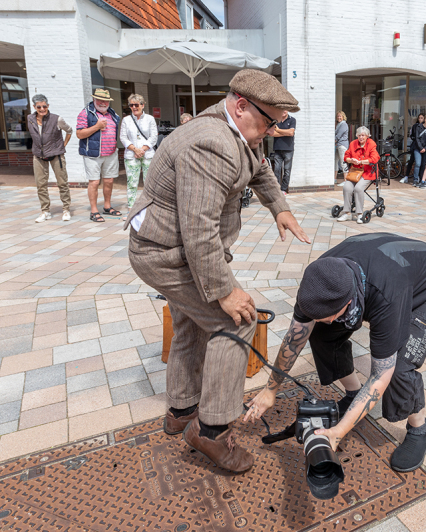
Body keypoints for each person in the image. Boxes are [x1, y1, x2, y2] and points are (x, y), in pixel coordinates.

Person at [125, 69, 310, 473]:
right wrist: (225, 291)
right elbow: (198, 229)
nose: (273, 131)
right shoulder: (210, 142)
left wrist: (279, 207)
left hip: (174, 247)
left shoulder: (233, 127)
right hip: (166, 253)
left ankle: (180, 410)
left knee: (192, 320)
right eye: (269, 121)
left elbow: (259, 168)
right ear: (241, 105)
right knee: (237, 321)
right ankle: (211, 430)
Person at [245, 233, 426, 473]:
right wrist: (270, 389)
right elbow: (295, 339)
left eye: (330, 316)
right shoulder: (318, 281)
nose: (326, 320)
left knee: (400, 365)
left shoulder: (386, 297)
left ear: (348, 302)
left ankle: (420, 430)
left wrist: (338, 432)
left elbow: (381, 375)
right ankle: (353, 394)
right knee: (321, 333)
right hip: (381, 263)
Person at [76, 88, 121, 223]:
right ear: (94, 99)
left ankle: (107, 206)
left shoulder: (112, 114)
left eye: (106, 100)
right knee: (94, 182)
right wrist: (96, 126)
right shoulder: (85, 113)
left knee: (109, 181)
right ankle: (94, 210)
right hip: (93, 155)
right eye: (100, 100)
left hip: (111, 153)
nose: (103, 103)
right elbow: (79, 134)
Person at [28, 94, 72, 222]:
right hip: (38, 156)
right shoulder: (30, 118)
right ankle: (45, 211)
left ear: (48, 106)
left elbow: (69, 131)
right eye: (39, 107)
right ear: (34, 107)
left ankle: (66, 209)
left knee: (62, 183)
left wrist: (62, 145)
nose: (42, 109)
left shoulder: (57, 119)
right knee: (40, 185)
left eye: (44, 106)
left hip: (56, 155)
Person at [120, 93, 158, 219]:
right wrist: (135, 149)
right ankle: (131, 209)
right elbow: (123, 137)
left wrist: (142, 149)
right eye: (131, 105)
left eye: (136, 105)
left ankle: (148, 209)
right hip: (131, 155)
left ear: (142, 105)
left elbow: (154, 137)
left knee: (149, 182)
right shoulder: (126, 120)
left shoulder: (150, 119)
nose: (134, 107)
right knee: (132, 182)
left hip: (148, 154)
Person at [338, 126, 380, 223]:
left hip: (368, 172)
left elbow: (375, 159)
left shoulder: (371, 144)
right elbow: (346, 157)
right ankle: (347, 213)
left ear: (367, 136)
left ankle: (359, 214)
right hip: (355, 172)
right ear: (357, 136)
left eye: (363, 135)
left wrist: (361, 162)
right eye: (359, 135)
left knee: (358, 188)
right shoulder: (353, 144)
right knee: (347, 187)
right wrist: (351, 160)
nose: (361, 137)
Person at [270, 113, 296, 195]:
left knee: (287, 171)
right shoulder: (276, 120)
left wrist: (278, 130)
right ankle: (277, 189)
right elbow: (272, 134)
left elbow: (291, 133)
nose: (284, 111)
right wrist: (286, 133)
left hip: (288, 149)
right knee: (277, 169)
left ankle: (283, 189)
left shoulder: (292, 119)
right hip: (277, 149)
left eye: (285, 109)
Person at [401, 113, 426, 184]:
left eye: (422, 118)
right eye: (419, 118)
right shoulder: (415, 126)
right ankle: (407, 176)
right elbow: (412, 135)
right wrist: (415, 138)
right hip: (415, 146)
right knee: (412, 161)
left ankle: (419, 177)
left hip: (422, 147)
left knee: (421, 163)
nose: (420, 119)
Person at [412, 114, 426, 187]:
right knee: (418, 164)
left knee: (424, 165)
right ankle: (415, 179)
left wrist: (425, 148)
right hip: (417, 148)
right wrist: (421, 148)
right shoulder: (419, 127)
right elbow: (417, 138)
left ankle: (421, 180)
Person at [335, 110, 349, 178]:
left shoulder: (343, 124)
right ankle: (334, 179)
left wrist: (333, 141)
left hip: (342, 145)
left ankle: (346, 181)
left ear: (343, 117)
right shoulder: (339, 124)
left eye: (340, 116)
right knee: (335, 161)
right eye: (338, 116)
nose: (338, 117)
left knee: (343, 163)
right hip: (338, 145)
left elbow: (338, 135)